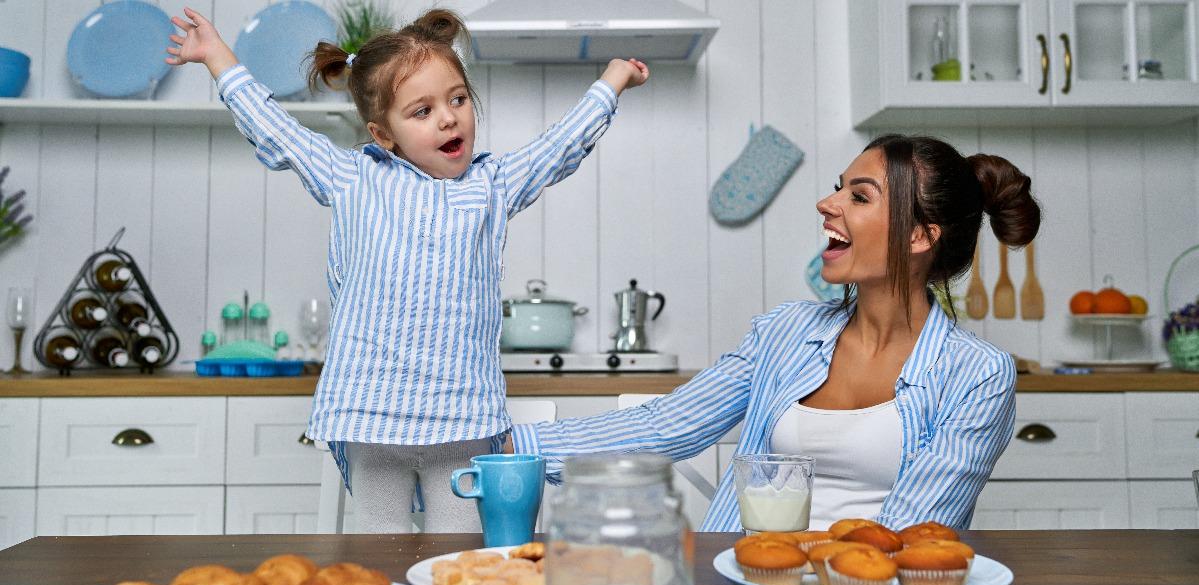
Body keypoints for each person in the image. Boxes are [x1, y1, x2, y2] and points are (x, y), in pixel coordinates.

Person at [166, 7, 649, 532]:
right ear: (383, 134)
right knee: (379, 560)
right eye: (422, 111)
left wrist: (611, 81)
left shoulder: (491, 186)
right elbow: (277, 131)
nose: (448, 117)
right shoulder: (352, 176)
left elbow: (559, 146)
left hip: (462, 417)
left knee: (455, 555)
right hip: (369, 415)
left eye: (458, 99)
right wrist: (218, 57)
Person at [510, 134, 1041, 531]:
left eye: (859, 197)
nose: (827, 204)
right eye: (839, 189)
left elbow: (910, 535)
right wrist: (512, 446)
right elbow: (666, 425)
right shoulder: (785, 333)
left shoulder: (977, 375)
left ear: (920, 235)